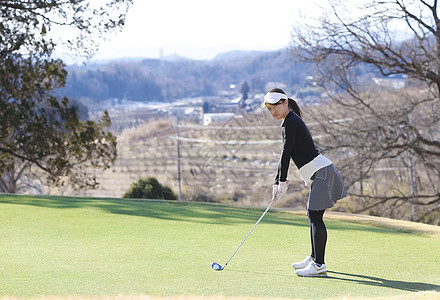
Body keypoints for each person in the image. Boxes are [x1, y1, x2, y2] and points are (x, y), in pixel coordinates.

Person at [261, 88, 348, 277]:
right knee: (313, 215)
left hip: (323, 172)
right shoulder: (290, 121)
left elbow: (285, 154)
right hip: (321, 172)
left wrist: (280, 181)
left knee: (314, 216)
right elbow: (289, 153)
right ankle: (314, 257)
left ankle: (319, 265)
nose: (273, 111)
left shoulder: (291, 123)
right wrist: (279, 181)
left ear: (285, 103)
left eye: (276, 105)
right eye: (269, 108)